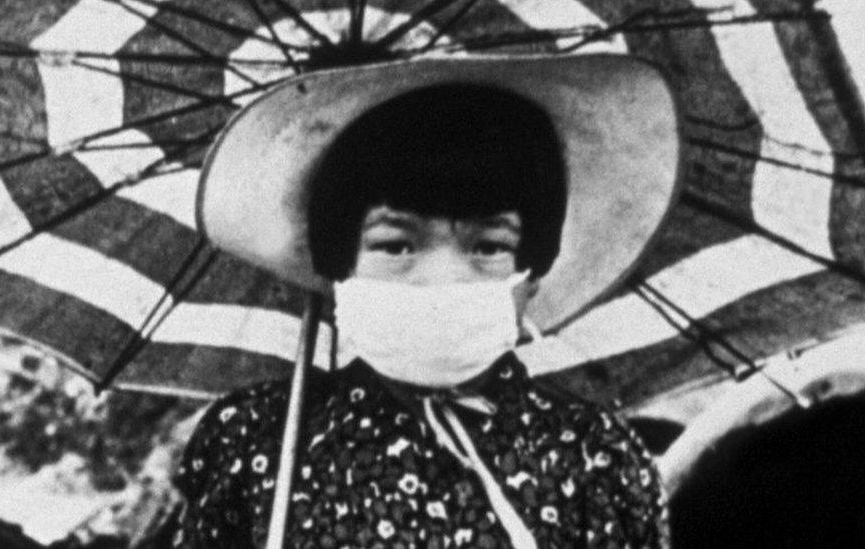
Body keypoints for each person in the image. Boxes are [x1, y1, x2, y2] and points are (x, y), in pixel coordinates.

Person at [175, 55, 681, 548]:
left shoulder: (597, 457)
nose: (443, 281)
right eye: (396, 245)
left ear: (533, 273)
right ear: (337, 261)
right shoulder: (257, 439)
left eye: (488, 247)